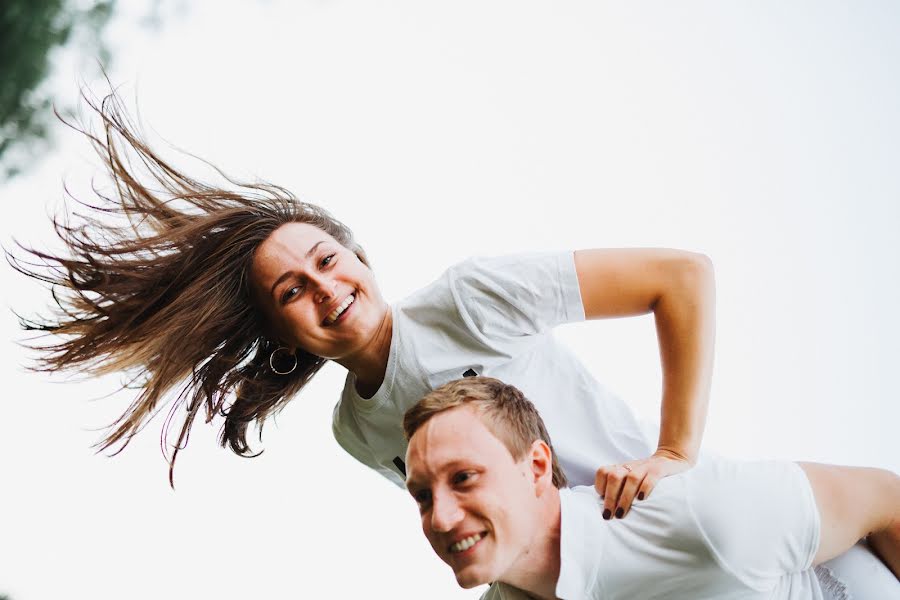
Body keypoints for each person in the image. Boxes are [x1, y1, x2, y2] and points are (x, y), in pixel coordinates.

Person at [8, 91, 880, 591]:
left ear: (360, 254)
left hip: (664, 533)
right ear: (283, 338)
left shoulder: (470, 297)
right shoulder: (356, 432)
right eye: (293, 293)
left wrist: (676, 452)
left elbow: (679, 277)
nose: (327, 288)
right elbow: (465, 519)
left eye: (329, 259)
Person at [403, 377, 900, 600]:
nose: (441, 518)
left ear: (535, 468)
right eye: (422, 495)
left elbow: (885, 499)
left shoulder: (695, 515)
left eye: (464, 478)